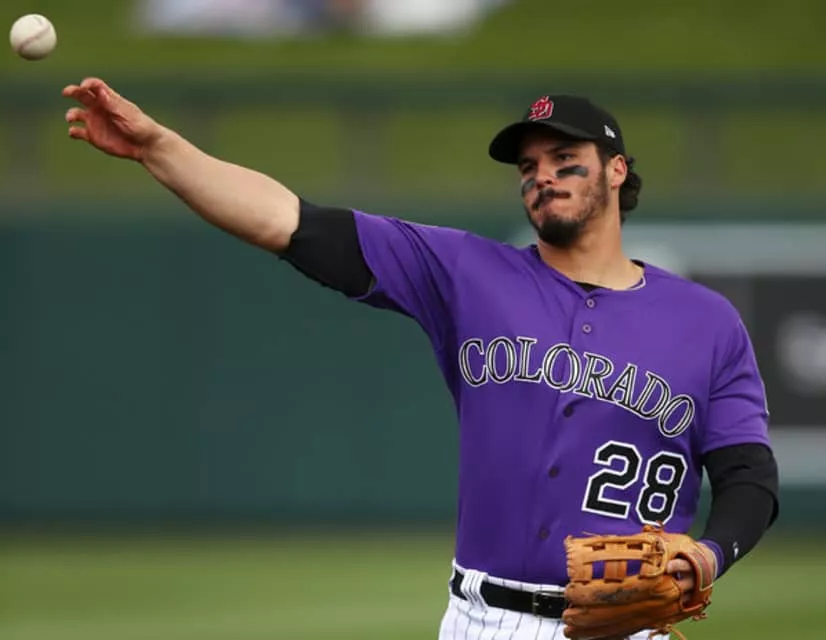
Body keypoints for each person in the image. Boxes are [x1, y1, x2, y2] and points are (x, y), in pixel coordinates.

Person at [62, 78, 779, 639]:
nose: (543, 176)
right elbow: (291, 222)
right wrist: (159, 148)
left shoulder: (706, 322)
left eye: (567, 160)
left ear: (616, 170)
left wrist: (708, 554)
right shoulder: (468, 272)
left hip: (628, 626)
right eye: (529, 166)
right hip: (483, 622)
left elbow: (748, 476)